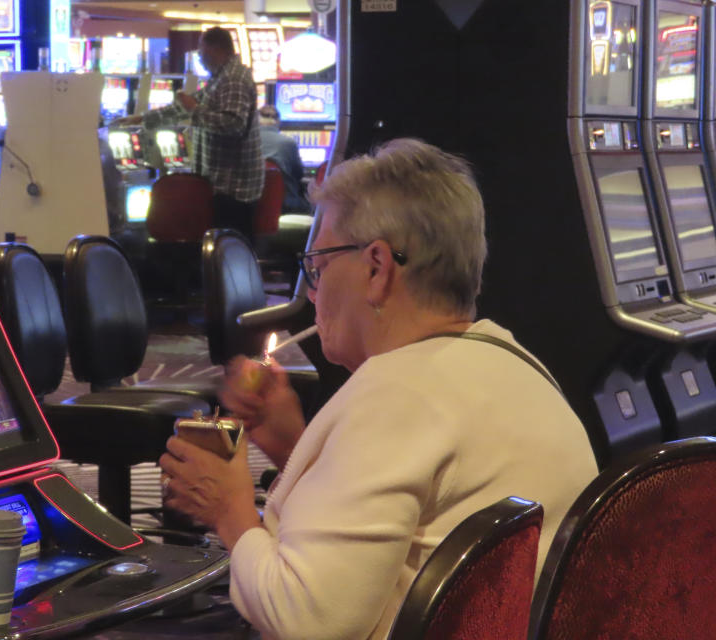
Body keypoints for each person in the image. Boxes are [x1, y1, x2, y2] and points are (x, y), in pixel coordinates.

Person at [159, 139, 598, 639]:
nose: (313, 293)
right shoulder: (514, 363)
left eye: (318, 269)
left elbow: (307, 623)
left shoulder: (399, 391)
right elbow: (397, 528)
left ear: (376, 268)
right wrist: (294, 448)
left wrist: (229, 510)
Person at [115, 27, 264, 241]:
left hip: (233, 188)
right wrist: (142, 119)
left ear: (214, 48)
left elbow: (233, 125)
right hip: (224, 184)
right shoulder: (221, 77)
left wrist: (195, 109)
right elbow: (184, 108)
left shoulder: (233, 79)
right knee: (220, 252)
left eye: (201, 51)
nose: (200, 58)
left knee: (230, 254)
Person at [258, 105, 309, 212]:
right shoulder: (288, 142)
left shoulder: (248, 143)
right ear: (278, 122)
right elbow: (299, 174)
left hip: (253, 205)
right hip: (285, 205)